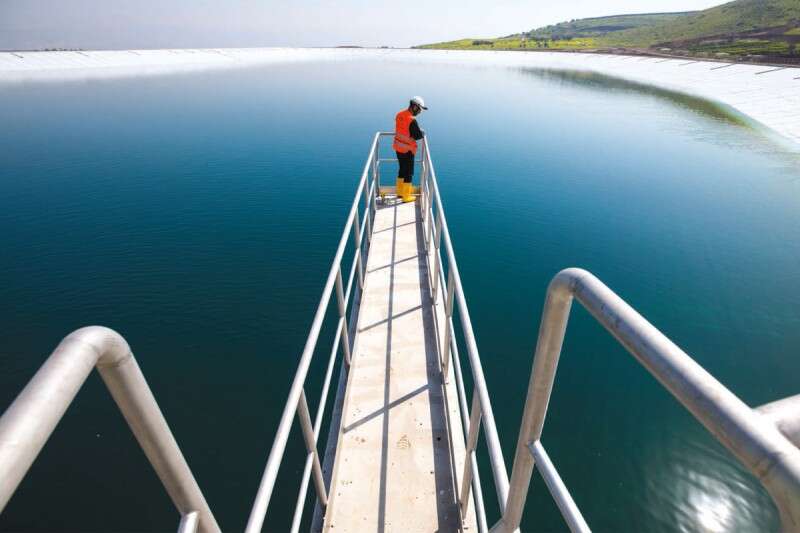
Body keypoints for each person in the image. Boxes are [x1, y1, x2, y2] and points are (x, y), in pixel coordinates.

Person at [392, 96, 427, 203]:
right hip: (408, 150)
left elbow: (402, 129)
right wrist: (421, 133)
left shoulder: (399, 114)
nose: (420, 112)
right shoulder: (412, 120)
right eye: (420, 110)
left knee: (402, 169)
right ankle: (406, 196)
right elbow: (418, 136)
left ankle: (400, 192)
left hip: (398, 147)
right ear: (415, 107)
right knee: (408, 172)